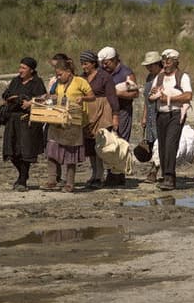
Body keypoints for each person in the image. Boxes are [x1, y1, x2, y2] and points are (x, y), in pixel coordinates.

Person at [44, 56, 91, 193]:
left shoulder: (80, 81)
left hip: (73, 122)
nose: (58, 77)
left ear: (68, 72)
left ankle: (70, 183)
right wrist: (50, 97)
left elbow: (92, 96)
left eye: (60, 74)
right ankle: (52, 180)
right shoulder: (57, 84)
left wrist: (82, 98)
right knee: (52, 150)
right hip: (58, 121)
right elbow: (52, 96)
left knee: (71, 154)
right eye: (56, 75)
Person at [148, 49, 192, 190]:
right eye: (163, 61)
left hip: (175, 114)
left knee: (170, 144)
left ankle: (169, 177)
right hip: (161, 114)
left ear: (175, 62)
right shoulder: (159, 78)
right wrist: (154, 94)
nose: (165, 64)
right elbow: (152, 93)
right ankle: (164, 175)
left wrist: (169, 99)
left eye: (168, 61)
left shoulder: (182, 77)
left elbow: (188, 96)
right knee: (162, 146)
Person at [0, 57, 47, 191]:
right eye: (20, 67)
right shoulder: (15, 81)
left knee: (25, 151)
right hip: (13, 120)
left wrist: (29, 103)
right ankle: (22, 175)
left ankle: (22, 180)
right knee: (11, 151)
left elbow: (43, 98)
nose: (20, 71)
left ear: (31, 70)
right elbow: (6, 94)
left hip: (28, 121)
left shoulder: (37, 82)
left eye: (24, 68)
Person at [79, 50, 119, 189]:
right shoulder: (82, 78)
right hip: (87, 113)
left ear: (93, 63)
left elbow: (112, 96)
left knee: (99, 144)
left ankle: (100, 175)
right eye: (82, 64)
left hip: (102, 111)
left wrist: (115, 116)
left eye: (86, 64)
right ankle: (94, 173)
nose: (84, 67)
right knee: (89, 145)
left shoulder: (104, 77)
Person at [99, 46, 137, 187]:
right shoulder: (102, 71)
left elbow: (135, 93)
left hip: (123, 111)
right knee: (108, 142)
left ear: (115, 60)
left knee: (120, 141)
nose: (104, 66)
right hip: (107, 111)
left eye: (107, 63)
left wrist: (116, 93)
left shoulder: (126, 73)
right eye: (103, 63)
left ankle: (118, 174)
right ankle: (112, 173)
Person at [137, 51, 163, 184]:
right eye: (147, 66)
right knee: (152, 143)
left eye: (151, 65)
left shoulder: (164, 77)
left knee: (160, 143)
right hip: (151, 115)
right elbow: (147, 100)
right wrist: (144, 116)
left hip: (161, 114)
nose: (149, 68)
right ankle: (157, 168)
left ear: (158, 64)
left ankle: (154, 171)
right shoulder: (149, 78)